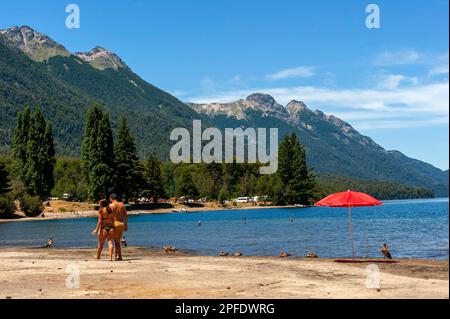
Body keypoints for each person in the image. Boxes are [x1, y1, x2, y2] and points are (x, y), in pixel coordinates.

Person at [109, 193, 128, 261]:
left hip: (115, 223)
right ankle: (118, 256)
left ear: (111, 198)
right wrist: (126, 225)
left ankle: (118, 256)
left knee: (116, 241)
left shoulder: (111, 205)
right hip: (121, 223)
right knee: (118, 241)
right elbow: (125, 216)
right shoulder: (122, 205)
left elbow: (110, 217)